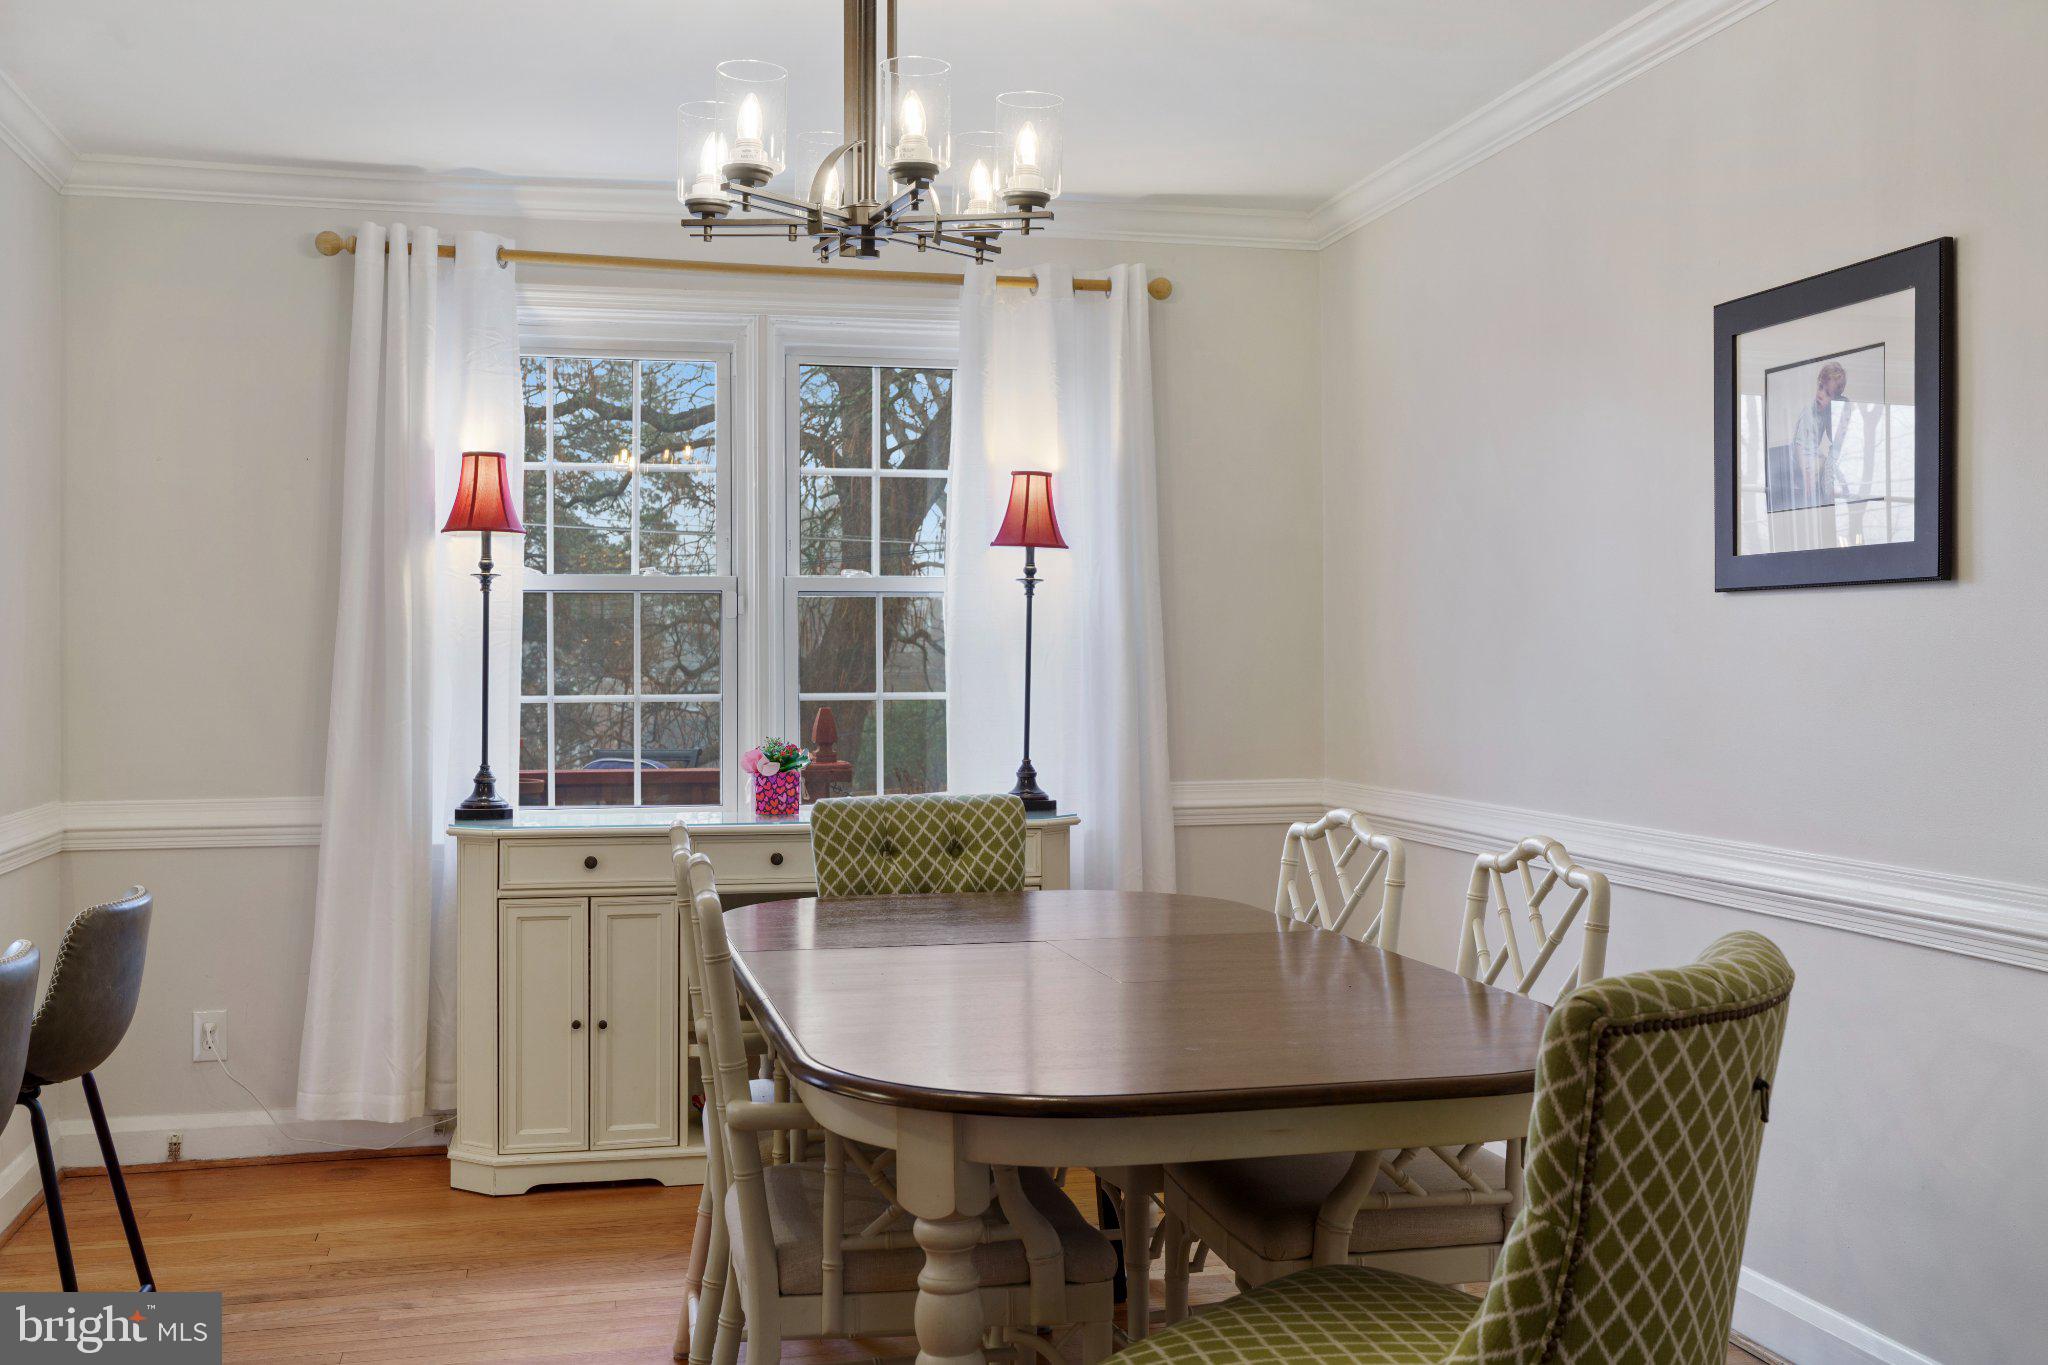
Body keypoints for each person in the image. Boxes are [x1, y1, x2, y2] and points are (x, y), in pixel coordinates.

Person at [1788, 359, 1848, 507]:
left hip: (1813, 453)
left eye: (1828, 393)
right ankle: (1830, 494)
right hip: (1799, 458)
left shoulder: (1827, 412)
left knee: (1829, 464)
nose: (1821, 394)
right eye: (1820, 387)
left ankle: (1837, 489)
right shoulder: (1809, 412)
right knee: (1824, 469)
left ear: (1834, 400)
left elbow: (1832, 435)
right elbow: (1799, 446)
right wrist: (1806, 474)